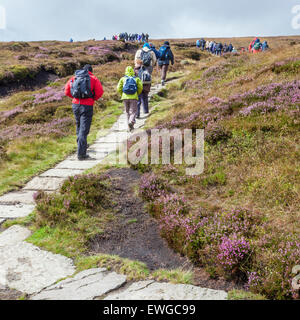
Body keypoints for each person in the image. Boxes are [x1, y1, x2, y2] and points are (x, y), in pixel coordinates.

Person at [65, 64, 104, 160]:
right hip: (87, 106)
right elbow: (100, 92)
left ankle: (80, 147)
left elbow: (67, 91)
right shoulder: (93, 78)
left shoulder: (74, 77)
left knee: (79, 126)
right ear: (91, 71)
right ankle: (81, 154)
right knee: (84, 129)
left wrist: (75, 98)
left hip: (75, 105)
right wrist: (92, 99)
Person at [117, 66, 143, 132]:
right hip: (134, 97)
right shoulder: (136, 79)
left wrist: (122, 94)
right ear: (133, 71)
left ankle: (129, 127)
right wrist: (137, 93)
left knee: (127, 112)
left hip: (125, 97)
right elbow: (140, 87)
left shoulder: (123, 79)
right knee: (133, 111)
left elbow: (118, 88)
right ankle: (131, 122)